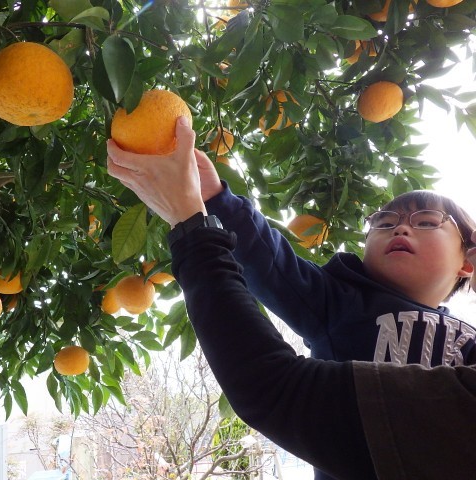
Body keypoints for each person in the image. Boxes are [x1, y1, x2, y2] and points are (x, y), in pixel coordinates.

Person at [107, 116, 476, 479]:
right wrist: (216, 199)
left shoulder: (468, 339)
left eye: (426, 222)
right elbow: (271, 261)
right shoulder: (339, 298)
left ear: (466, 262)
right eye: (385, 222)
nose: (401, 228)